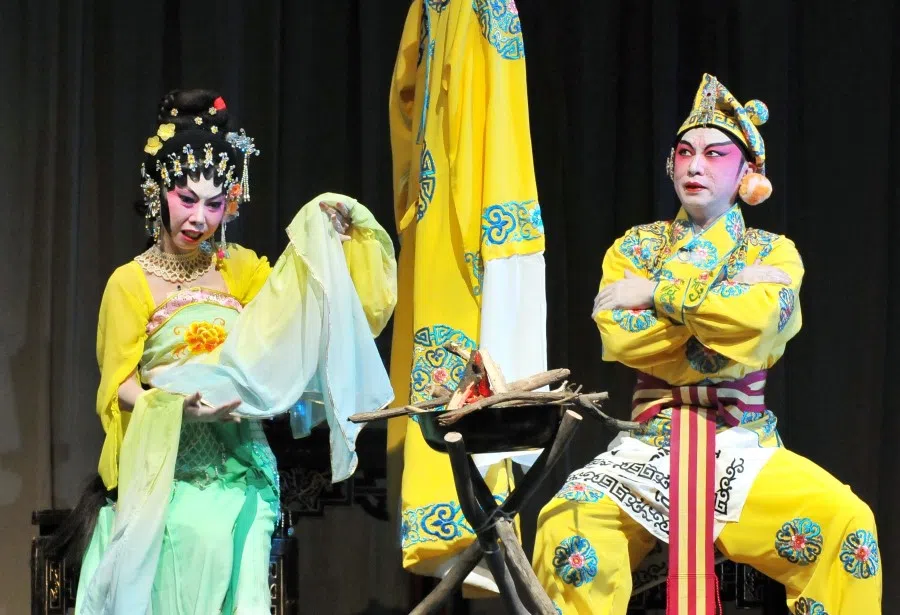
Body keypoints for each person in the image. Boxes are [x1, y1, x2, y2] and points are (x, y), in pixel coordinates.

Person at [532, 74, 881, 614]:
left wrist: (655, 293)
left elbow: (763, 327)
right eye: (685, 153)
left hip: (743, 447)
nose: (695, 166)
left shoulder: (775, 251)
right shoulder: (635, 246)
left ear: (746, 173)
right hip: (648, 452)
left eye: (716, 155)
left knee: (849, 523)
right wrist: (724, 305)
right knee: (566, 531)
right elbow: (622, 336)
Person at [69, 89, 396, 615]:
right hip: (167, 468)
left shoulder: (240, 270)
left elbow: (294, 316)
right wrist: (178, 405)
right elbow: (120, 386)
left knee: (234, 537)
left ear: (231, 204)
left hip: (241, 463)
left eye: (214, 203)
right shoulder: (129, 284)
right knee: (190, 536)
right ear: (158, 194)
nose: (199, 217)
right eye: (186, 198)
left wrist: (327, 242)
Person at [387, 0, 548, 593]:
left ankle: (465, 529)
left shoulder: (480, 9)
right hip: (453, 205)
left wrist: (493, 225)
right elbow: (413, 95)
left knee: (469, 357)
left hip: (471, 206)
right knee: (448, 357)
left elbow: (486, 122)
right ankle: (451, 527)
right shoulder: (437, 10)